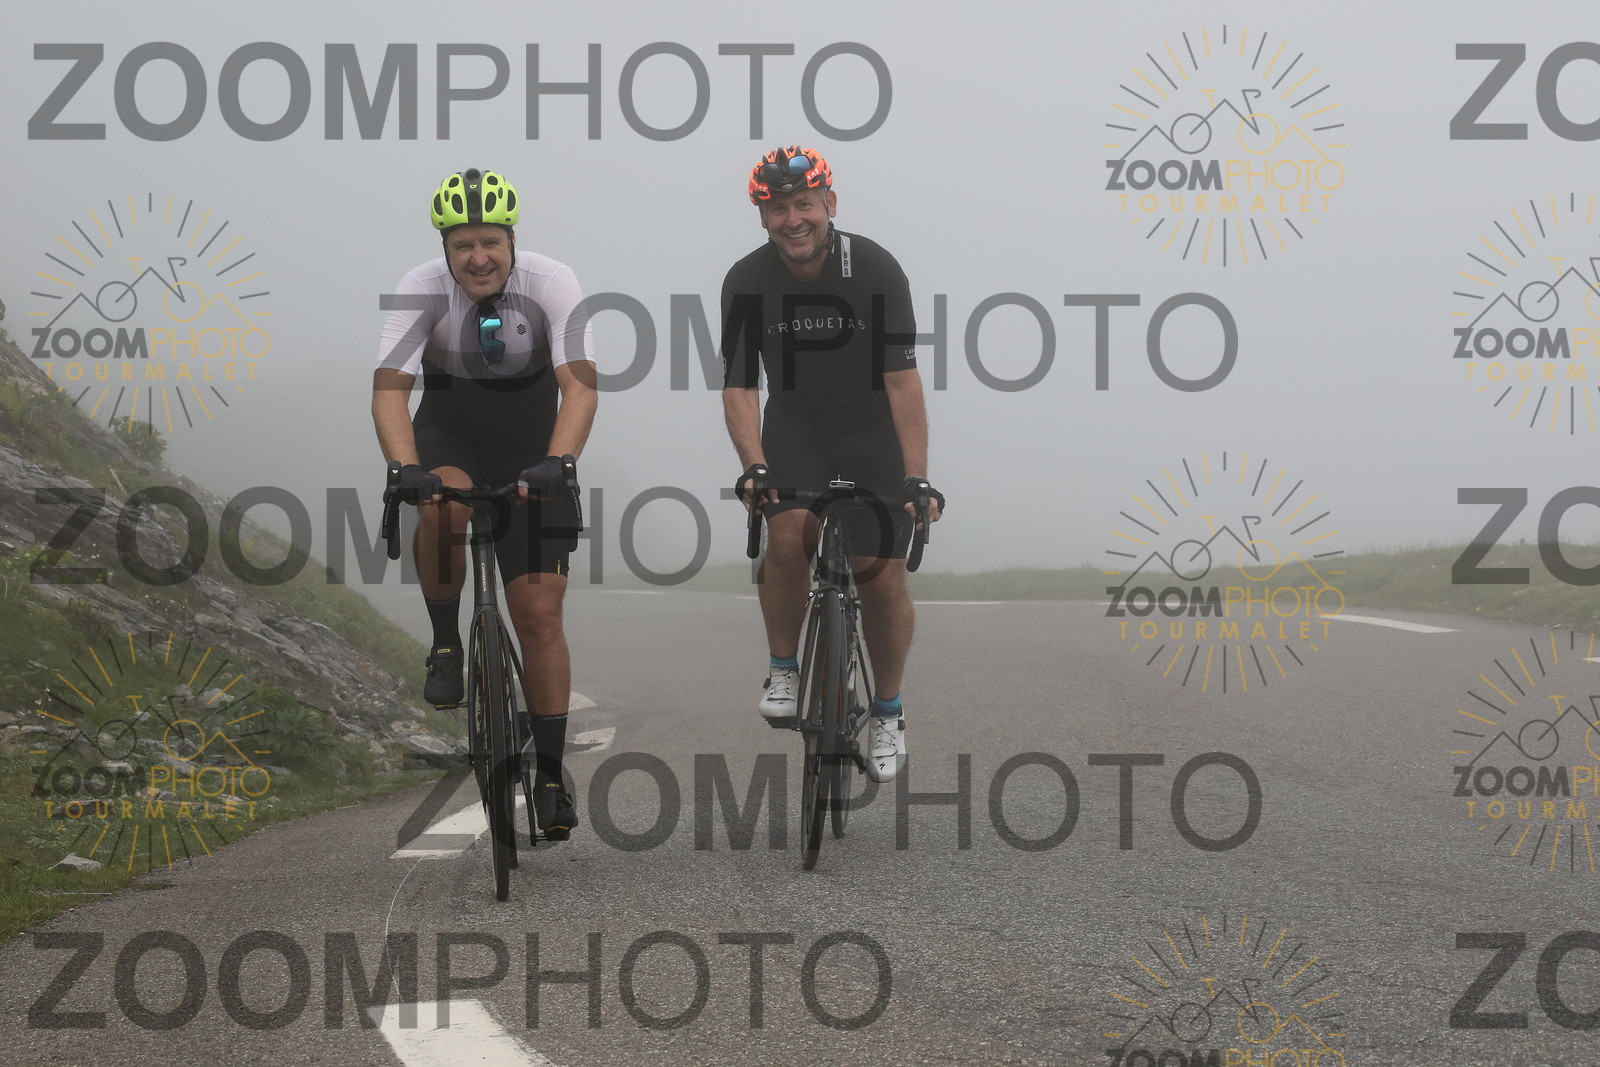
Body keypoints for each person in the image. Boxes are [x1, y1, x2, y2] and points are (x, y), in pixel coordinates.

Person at [373, 167, 597, 839]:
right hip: (451, 435)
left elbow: (580, 385)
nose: (478, 257)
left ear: (512, 241)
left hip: (533, 450)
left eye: (490, 242)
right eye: (463, 244)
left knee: (539, 615)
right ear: (444, 247)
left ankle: (550, 774)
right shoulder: (420, 288)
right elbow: (390, 389)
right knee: (443, 505)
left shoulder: (551, 282)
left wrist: (560, 462)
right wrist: (405, 468)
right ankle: (446, 643)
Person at [721, 146, 944, 784]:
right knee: (788, 533)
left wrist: (916, 476)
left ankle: (888, 712)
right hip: (798, 428)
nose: (793, 219)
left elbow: (902, 381)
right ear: (762, 217)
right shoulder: (746, 279)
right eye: (777, 209)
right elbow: (740, 385)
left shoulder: (874, 268)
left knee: (883, 580)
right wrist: (754, 465)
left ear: (830, 204)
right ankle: (784, 669)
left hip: (873, 431)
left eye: (805, 205)